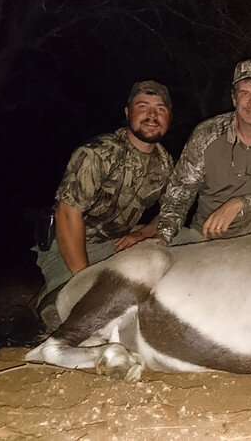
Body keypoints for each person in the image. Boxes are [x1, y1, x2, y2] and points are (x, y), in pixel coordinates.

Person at [34, 80, 174, 330]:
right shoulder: (96, 152)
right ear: (128, 113)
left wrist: (143, 233)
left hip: (117, 243)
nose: (152, 115)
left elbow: (170, 210)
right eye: (143, 106)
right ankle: (51, 297)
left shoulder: (165, 162)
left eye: (160, 109)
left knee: (186, 237)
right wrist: (84, 279)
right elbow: (67, 213)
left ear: (169, 118)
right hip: (70, 242)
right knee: (75, 307)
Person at [156, 58, 251, 245]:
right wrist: (163, 237)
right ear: (234, 98)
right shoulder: (206, 133)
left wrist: (240, 203)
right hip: (207, 232)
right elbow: (180, 193)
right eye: (245, 94)